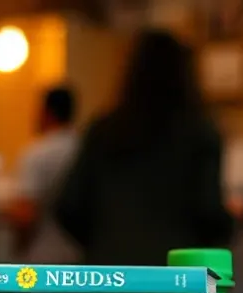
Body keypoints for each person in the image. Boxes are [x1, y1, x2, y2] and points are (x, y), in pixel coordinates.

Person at [55, 30, 233, 265]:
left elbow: (69, 204)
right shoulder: (200, 133)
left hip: (109, 271)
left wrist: (103, 240)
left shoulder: (104, 130)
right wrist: (230, 221)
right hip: (174, 273)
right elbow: (208, 210)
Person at [7, 86, 81, 264]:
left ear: (46, 112)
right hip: (79, 256)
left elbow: (26, 214)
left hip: (42, 257)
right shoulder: (84, 149)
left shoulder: (37, 153)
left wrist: (17, 248)